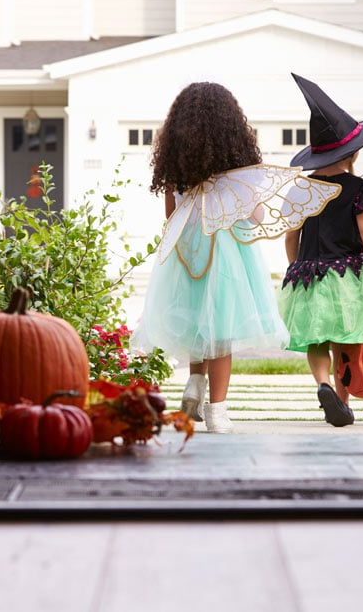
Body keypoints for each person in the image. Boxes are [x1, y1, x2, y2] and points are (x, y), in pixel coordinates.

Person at [130, 81, 341, 433]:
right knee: (221, 331)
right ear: (231, 131)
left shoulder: (177, 174)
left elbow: (171, 219)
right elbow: (256, 216)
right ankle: (218, 412)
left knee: (198, 320)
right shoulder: (235, 176)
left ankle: (194, 384)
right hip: (227, 257)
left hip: (185, 255)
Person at [277, 74, 363, 427]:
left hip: (309, 273)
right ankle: (342, 400)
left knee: (315, 338)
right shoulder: (358, 188)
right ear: (353, 152)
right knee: (346, 337)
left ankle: (323, 384)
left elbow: (289, 235)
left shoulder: (301, 190)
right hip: (348, 275)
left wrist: (296, 266)